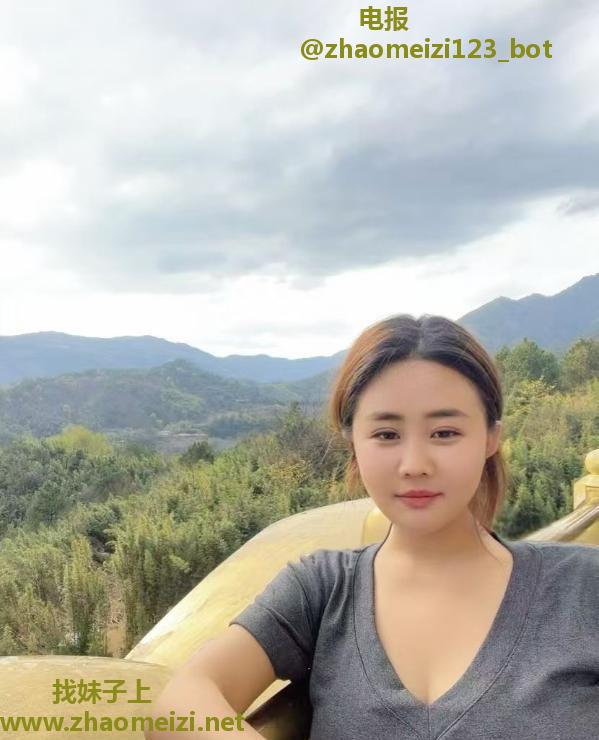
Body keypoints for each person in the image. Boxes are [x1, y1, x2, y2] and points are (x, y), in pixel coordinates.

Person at [146, 314, 599, 740]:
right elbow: (181, 701)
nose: (414, 464)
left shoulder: (582, 586)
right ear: (354, 443)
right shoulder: (322, 589)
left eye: (444, 433)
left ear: (491, 437)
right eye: (386, 435)